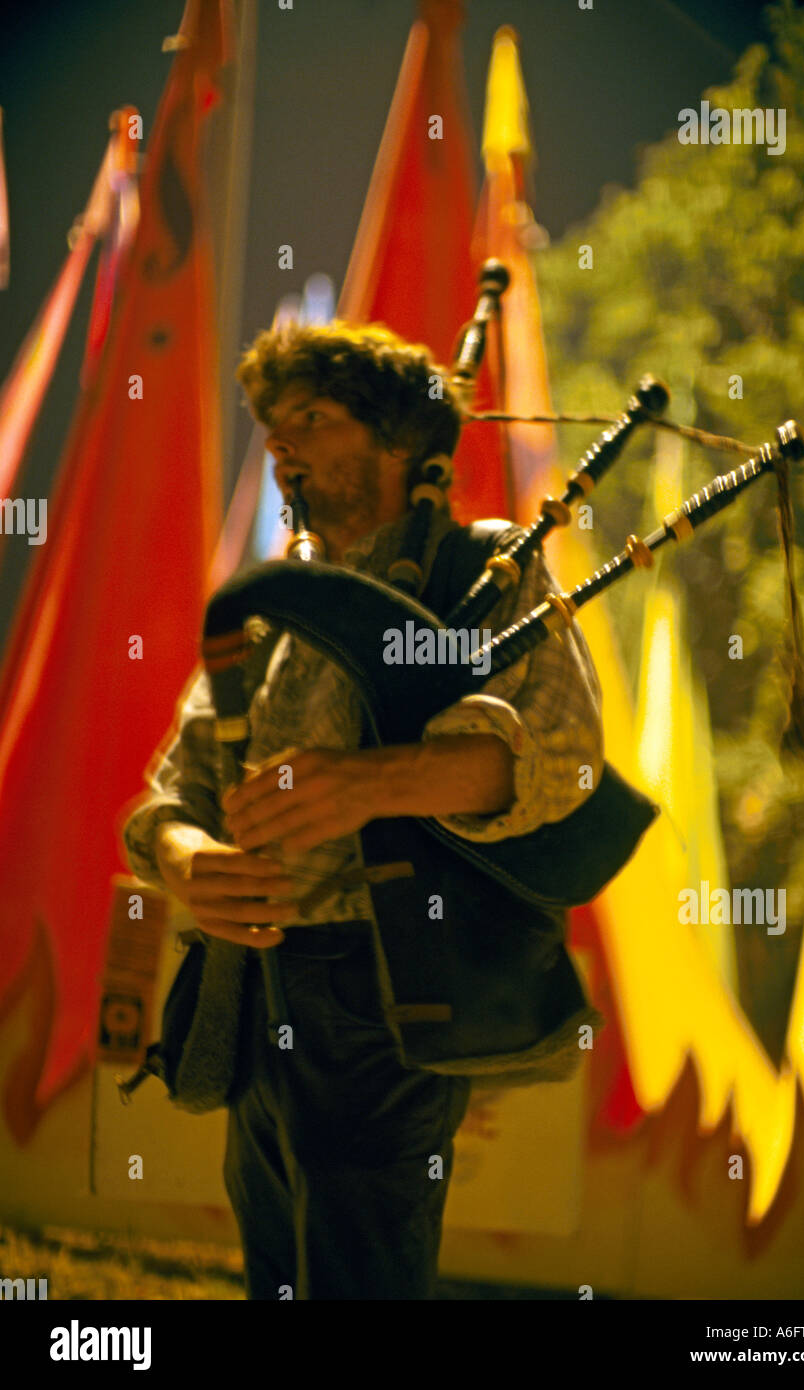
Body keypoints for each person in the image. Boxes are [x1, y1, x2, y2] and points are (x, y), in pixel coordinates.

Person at [122, 321, 604, 1300]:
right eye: (273, 426)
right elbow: (178, 787)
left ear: (396, 443)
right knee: (278, 1274)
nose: (282, 446)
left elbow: (556, 756)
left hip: (377, 991)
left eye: (312, 418)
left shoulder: (480, 570)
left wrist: (365, 783)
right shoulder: (272, 604)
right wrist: (182, 858)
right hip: (250, 987)